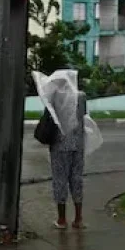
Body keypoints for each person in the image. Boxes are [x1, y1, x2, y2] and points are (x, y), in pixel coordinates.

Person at [49, 88, 87, 229]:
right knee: (77, 179)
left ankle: (62, 219)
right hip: (78, 144)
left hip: (60, 144)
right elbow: (84, 115)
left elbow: (49, 117)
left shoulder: (54, 96)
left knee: (60, 180)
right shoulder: (81, 96)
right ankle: (78, 218)